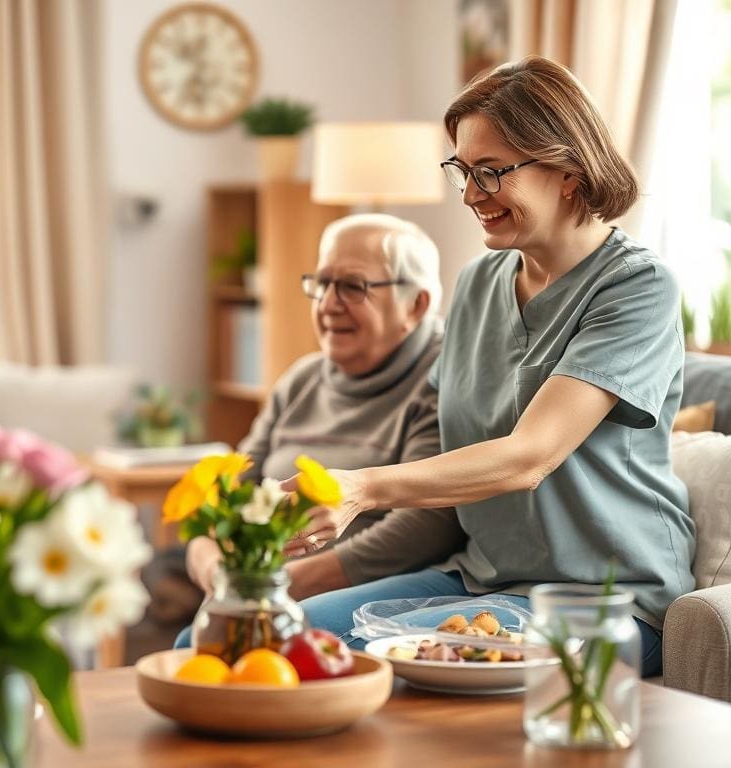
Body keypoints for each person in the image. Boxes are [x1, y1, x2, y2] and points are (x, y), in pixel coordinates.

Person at [287, 56, 695, 678]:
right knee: (258, 635)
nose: (471, 194)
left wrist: (362, 487)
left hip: (606, 602)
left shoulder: (637, 288)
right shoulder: (478, 282)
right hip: (480, 581)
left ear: (567, 171)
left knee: (338, 664)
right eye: (462, 170)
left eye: (491, 172)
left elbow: (529, 457)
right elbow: (442, 450)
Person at [184, 213, 465, 604]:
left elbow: (427, 524)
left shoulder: (443, 378)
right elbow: (233, 485)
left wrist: (281, 586)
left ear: (415, 306)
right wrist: (208, 558)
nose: (328, 304)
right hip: (264, 584)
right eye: (322, 284)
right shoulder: (303, 378)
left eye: (352, 286)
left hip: (367, 592)